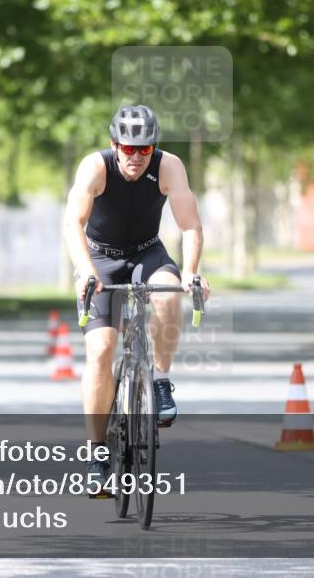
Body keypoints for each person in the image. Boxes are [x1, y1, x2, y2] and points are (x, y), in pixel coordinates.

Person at [63, 104, 211, 488]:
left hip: (147, 252)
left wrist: (191, 272)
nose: (136, 157)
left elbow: (190, 225)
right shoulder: (95, 167)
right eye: (128, 148)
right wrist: (86, 271)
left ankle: (160, 380)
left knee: (167, 297)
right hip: (100, 258)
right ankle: (97, 452)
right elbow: (73, 222)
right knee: (101, 350)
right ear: (114, 145)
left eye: (144, 149)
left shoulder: (169, 166)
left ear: (154, 147)